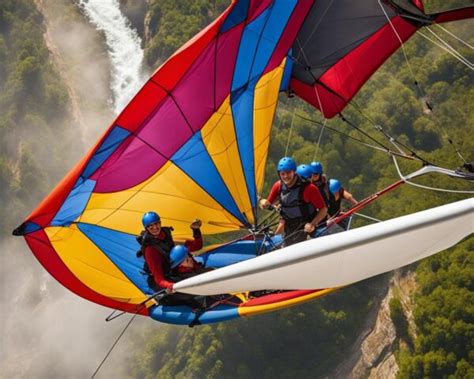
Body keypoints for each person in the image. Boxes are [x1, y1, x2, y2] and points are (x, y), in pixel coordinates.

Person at [137, 211, 204, 306]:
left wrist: (196, 230)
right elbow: (159, 279)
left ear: (160, 223)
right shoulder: (150, 250)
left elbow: (197, 246)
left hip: (170, 266)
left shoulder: (165, 234)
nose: (155, 227)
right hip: (160, 278)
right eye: (150, 226)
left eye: (156, 223)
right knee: (187, 291)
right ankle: (164, 298)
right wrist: (170, 286)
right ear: (146, 228)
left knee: (195, 276)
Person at [259, 157, 327, 246]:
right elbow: (267, 204)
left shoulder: (309, 188)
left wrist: (312, 224)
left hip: (306, 226)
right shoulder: (278, 186)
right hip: (289, 227)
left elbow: (323, 210)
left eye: (288, 173)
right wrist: (262, 202)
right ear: (279, 174)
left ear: (294, 172)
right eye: (282, 174)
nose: (285, 176)